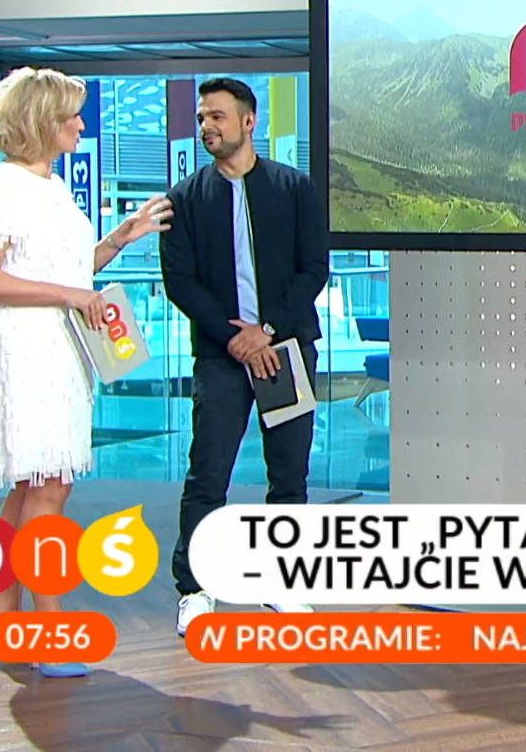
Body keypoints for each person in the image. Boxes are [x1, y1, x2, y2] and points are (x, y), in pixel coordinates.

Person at [0, 67, 173, 676]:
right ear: (41, 121)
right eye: (71, 116)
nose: (81, 124)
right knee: (48, 484)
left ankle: (1, 605)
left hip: (61, 346)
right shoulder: (2, 188)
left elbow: (68, 270)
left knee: (38, 483)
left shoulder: (52, 187)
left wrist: (119, 239)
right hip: (25, 346)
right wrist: (68, 296)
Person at [161, 76, 329, 636]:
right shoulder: (185, 200)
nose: (206, 127)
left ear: (249, 121)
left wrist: (268, 331)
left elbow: (314, 268)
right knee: (208, 473)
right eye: (201, 118)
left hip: (285, 351)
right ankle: (195, 589)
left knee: (290, 474)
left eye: (217, 117)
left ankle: (282, 584)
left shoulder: (294, 188)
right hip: (221, 357)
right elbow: (180, 281)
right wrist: (236, 338)